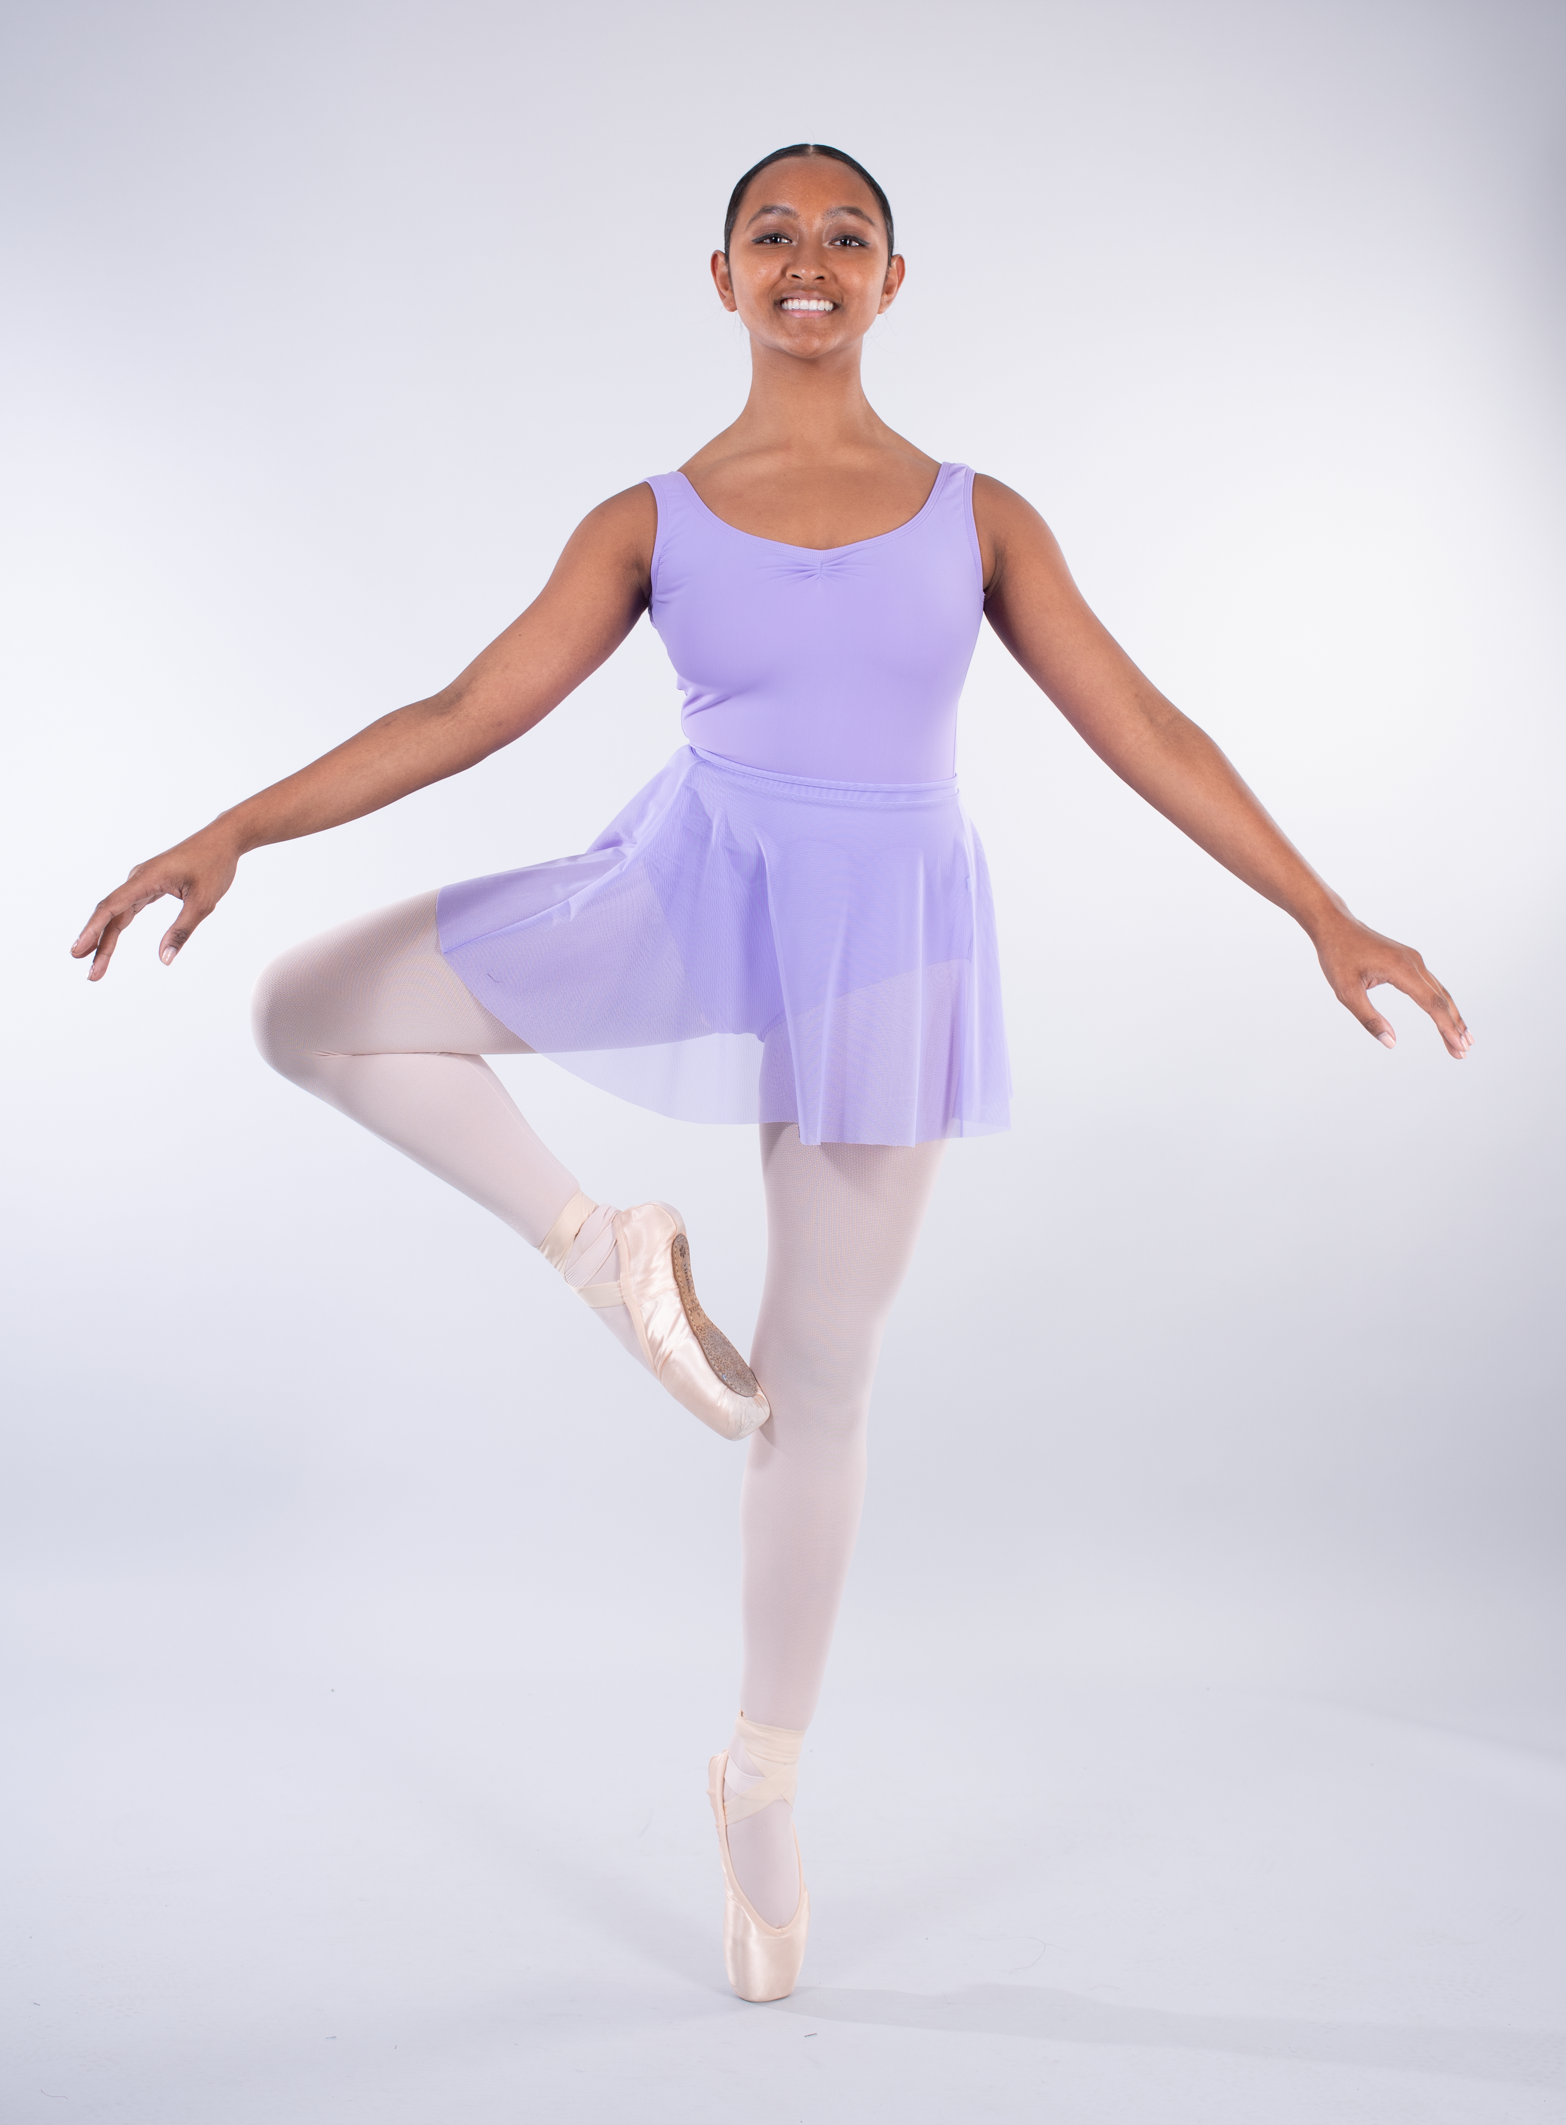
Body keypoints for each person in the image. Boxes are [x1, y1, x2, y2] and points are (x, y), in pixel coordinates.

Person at [71, 142, 1471, 2004]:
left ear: (893, 278)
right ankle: (600, 1250)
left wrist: (1321, 910)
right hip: (691, 885)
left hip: (887, 943)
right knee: (307, 1006)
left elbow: (1141, 719)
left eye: (844, 236)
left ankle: (759, 1781)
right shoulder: (649, 520)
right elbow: (466, 710)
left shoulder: (978, 517)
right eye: (772, 235)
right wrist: (233, 826)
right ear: (721, 276)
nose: (808, 259)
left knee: (817, 1386)